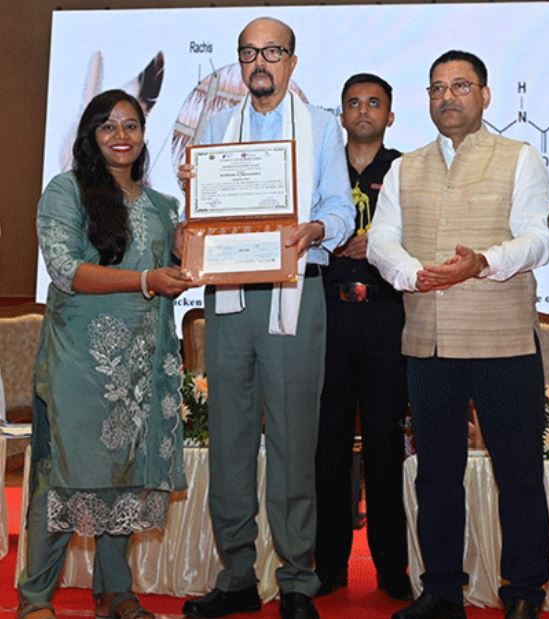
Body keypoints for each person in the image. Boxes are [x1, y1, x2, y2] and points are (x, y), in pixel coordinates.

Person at [368, 50, 549, 619]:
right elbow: (382, 240)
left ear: (485, 95)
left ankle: (524, 590)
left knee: (518, 474)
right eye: (437, 88)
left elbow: (538, 239)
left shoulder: (520, 157)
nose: (447, 97)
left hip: (504, 339)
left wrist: (484, 262)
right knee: (436, 476)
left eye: (460, 86)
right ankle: (442, 590)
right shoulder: (405, 167)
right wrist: (411, 274)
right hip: (429, 343)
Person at [178, 17, 354, 619]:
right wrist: (192, 196)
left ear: (292, 62)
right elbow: (202, 220)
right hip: (229, 298)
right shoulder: (215, 129)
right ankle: (236, 576)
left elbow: (340, 208)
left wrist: (316, 228)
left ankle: (297, 578)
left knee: (292, 440)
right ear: (240, 62)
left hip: (294, 291)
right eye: (249, 52)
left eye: (272, 51)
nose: (260, 62)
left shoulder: (321, 127)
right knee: (228, 438)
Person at [17, 89, 191, 619]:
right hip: (80, 361)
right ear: (90, 135)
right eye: (108, 126)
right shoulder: (66, 191)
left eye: (131, 125)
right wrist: (145, 280)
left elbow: (188, 262)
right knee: (67, 474)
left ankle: (115, 593)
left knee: (127, 474)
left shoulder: (161, 205)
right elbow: (65, 270)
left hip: (143, 362)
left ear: (143, 134)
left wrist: (201, 200)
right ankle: (35, 598)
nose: (121, 135)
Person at [314, 73, 410, 599]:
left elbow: (421, 235)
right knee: (327, 446)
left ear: (389, 115)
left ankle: (392, 570)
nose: (364, 110)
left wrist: (377, 244)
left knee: (384, 446)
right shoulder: (321, 167)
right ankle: (328, 566)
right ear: (341, 114)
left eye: (374, 103)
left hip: (384, 318)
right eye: (354, 103)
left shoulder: (405, 169)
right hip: (326, 315)